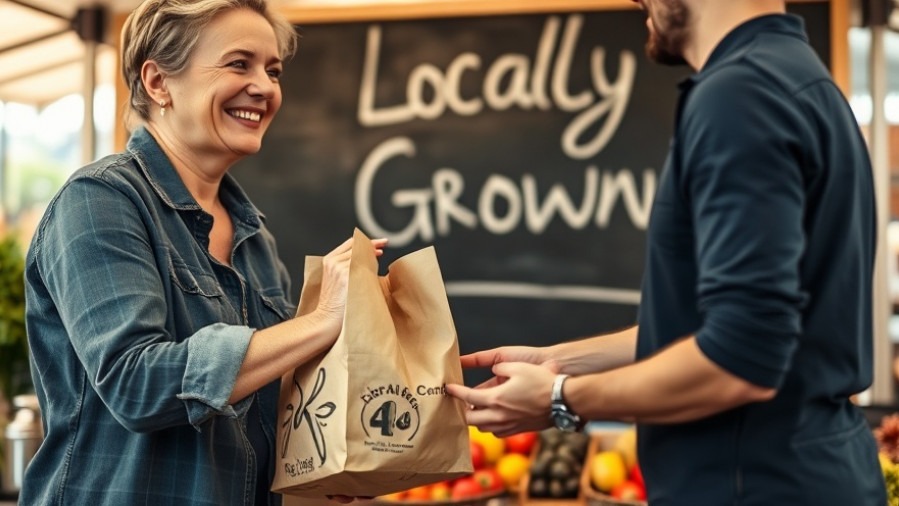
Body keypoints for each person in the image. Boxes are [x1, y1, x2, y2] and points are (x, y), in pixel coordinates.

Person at [446, 0, 887, 504]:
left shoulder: (740, 95)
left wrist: (561, 398)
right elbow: (719, 328)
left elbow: (741, 355)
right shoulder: (796, 77)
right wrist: (560, 362)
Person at [21, 1, 386, 504]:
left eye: (273, 71)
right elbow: (135, 384)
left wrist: (333, 459)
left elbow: (269, 399)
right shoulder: (100, 200)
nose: (265, 87)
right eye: (239, 64)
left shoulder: (254, 237)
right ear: (158, 82)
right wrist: (321, 320)